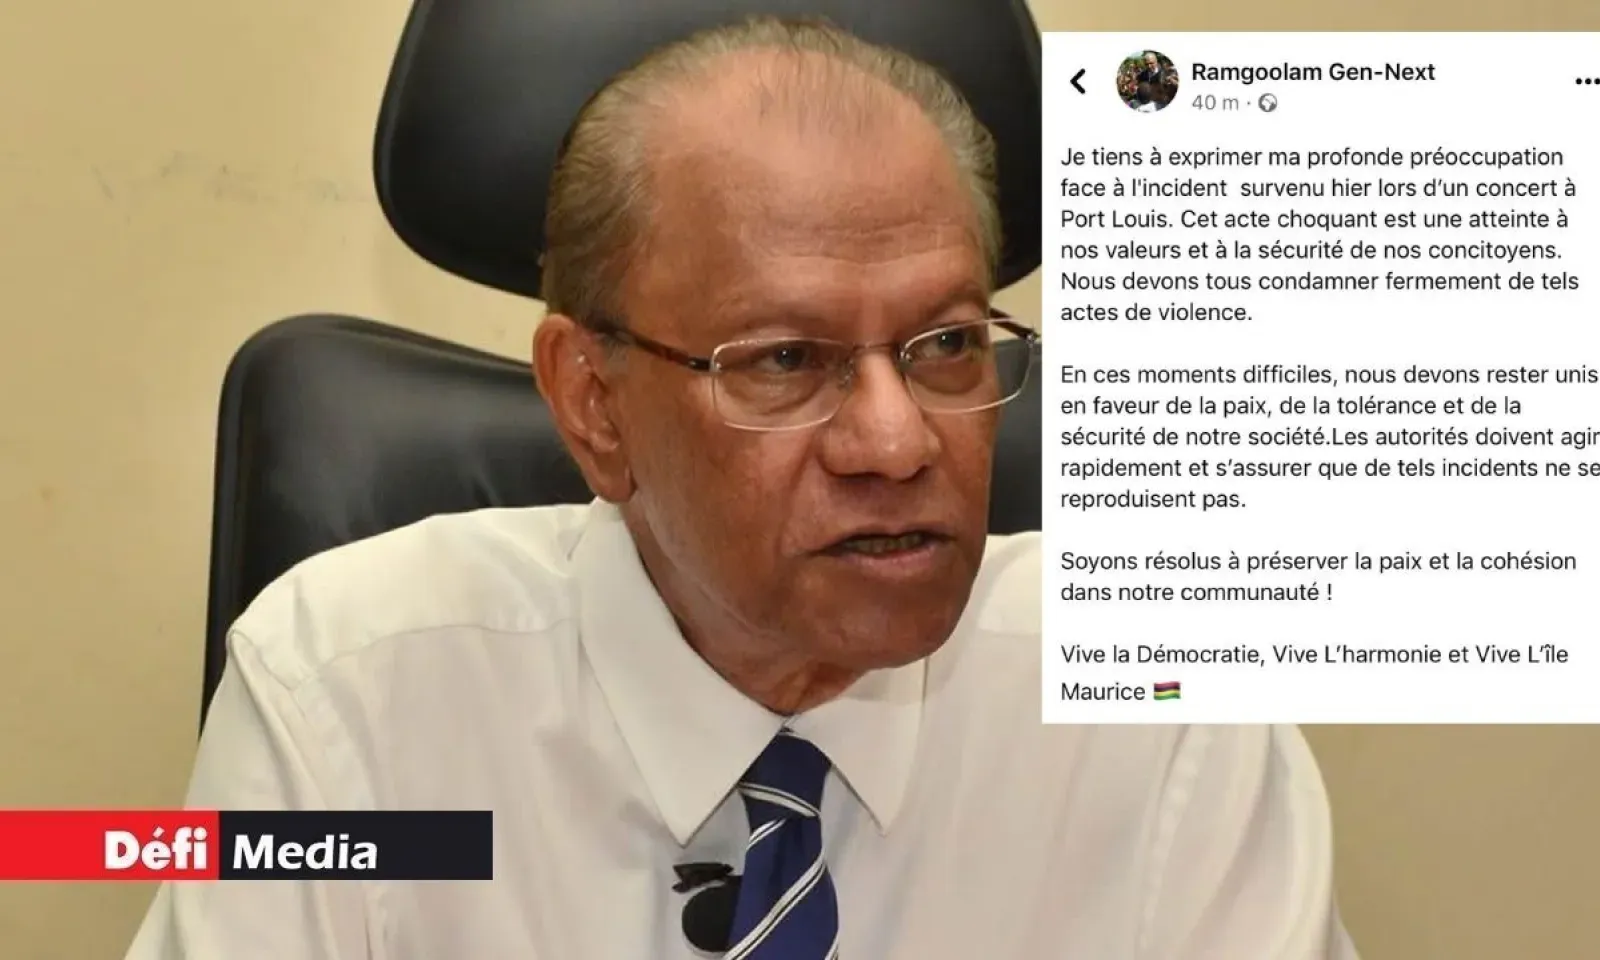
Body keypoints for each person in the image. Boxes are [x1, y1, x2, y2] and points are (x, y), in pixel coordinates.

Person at [124, 17, 1359, 960]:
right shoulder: (348, 697)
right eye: (782, 361)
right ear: (592, 404)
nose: (896, 442)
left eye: (944, 344)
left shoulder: (1161, 717)